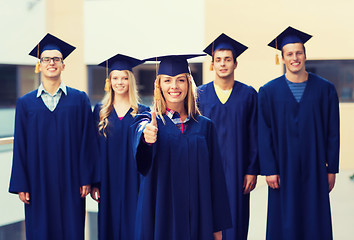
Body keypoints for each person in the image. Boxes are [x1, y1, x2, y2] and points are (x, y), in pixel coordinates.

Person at [131, 54, 232, 240]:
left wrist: (217, 227)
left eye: (180, 80)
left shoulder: (205, 126)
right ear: (159, 86)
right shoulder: (149, 123)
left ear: (188, 84)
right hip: (162, 218)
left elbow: (216, 179)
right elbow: (141, 155)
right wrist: (146, 138)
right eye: (167, 81)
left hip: (198, 219)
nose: (174, 86)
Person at [8, 33, 98, 240]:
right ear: (39, 65)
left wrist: (87, 177)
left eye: (56, 59)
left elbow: (88, 141)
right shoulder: (26, 103)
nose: (51, 63)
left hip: (72, 178)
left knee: (71, 229)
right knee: (41, 230)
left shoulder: (79, 99)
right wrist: (22, 184)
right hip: (37, 180)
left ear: (63, 65)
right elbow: (20, 145)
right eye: (46, 59)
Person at [258, 26, 340, 240]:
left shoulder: (325, 89)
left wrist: (331, 168)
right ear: (282, 58)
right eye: (290, 54)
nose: (295, 58)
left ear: (305, 55)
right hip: (282, 169)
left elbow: (333, 131)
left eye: (299, 53)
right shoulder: (268, 92)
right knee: (284, 223)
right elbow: (263, 132)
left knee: (315, 221)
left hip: (315, 166)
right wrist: (269, 168)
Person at [198, 33, 259, 240]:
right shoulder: (199, 95)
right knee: (207, 220)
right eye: (218, 60)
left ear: (235, 63)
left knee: (236, 222)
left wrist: (251, 170)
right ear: (212, 64)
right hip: (206, 169)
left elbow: (254, 134)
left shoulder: (248, 94)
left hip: (238, 170)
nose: (223, 64)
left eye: (227, 59)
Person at [90, 54, 149, 240]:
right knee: (110, 224)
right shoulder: (100, 111)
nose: (120, 82)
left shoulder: (142, 111)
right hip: (108, 180)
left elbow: (148, 151)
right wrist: (95, 183)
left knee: (135, 225)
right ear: (109, 81)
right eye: (115, 78)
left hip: (135, 180)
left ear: (130, 81)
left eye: (124, 78)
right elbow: (94, 150)